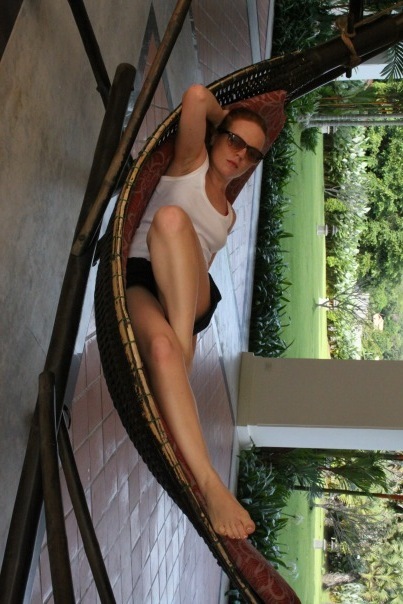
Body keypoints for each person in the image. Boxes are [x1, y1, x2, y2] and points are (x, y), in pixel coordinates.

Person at [126, 84, 267, 540]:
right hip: (142, 274)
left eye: (251, 154)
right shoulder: (191, 162)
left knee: (176, 226)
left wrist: (183, 314)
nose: (240, 155)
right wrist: (226, 117)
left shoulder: (230, 215)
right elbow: (195, 96)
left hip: (188, 294)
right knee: (164, 351)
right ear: (216, 136)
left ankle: (209, 485)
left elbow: (199, 262)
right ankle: (210, 482)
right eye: (234, 141)